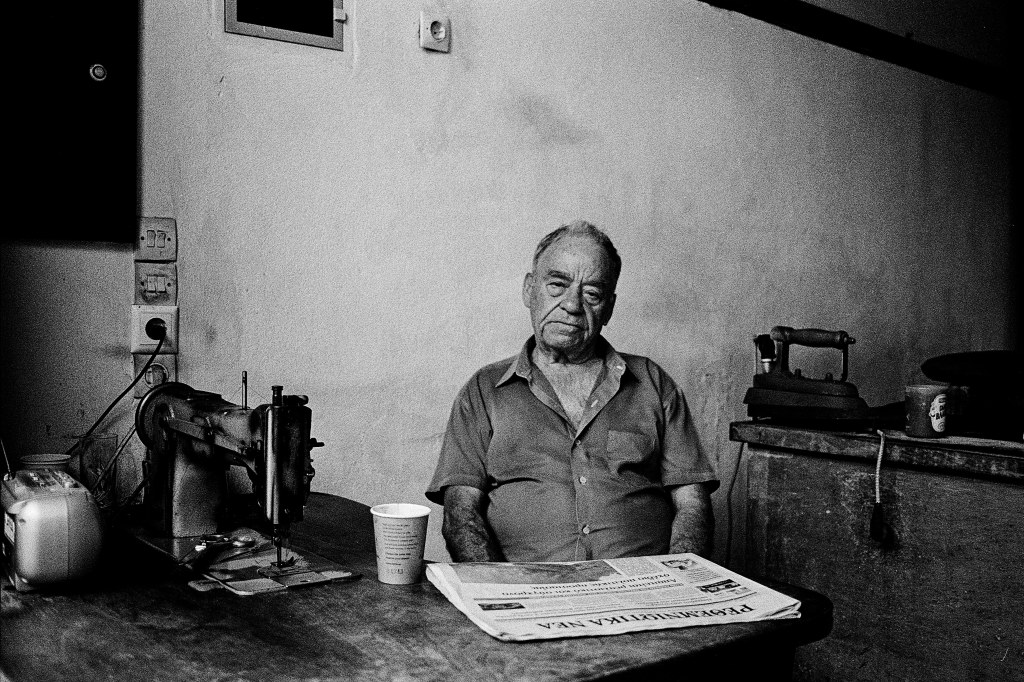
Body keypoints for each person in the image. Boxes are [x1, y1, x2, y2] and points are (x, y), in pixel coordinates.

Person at [426, 220, 718, 562]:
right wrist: (495, 588)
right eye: (557, 285)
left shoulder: (652, 383)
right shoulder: (483, 391)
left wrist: (679, 581)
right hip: (526, 591)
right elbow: (461, 511)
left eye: (592, 293)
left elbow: (692, 503)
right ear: (529, 290)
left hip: (643, 589)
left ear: (608, 307)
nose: (572, 305)